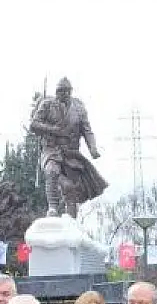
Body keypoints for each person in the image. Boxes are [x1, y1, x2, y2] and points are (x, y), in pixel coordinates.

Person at [28, 77, 108, 216]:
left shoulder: (78, 108)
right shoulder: (47, 105)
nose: (63, 94)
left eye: (66, 91)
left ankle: (71, 219)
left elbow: (87, 130)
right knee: (51, 171)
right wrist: (53, 129)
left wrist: (93, 148)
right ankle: (52, 208)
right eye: (60, 91)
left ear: (70, 92)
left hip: (71, 152)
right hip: (51, 149)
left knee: (71, 188)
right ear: (56, 92)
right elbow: (34, 125)